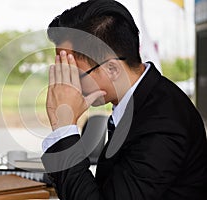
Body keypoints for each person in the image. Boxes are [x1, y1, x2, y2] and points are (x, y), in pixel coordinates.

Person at [41, 0, 207, 199]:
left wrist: (64, 129)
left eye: (71, 74)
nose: (64, 86)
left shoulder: (162, 124)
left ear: (112, 69)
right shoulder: (141, 99)